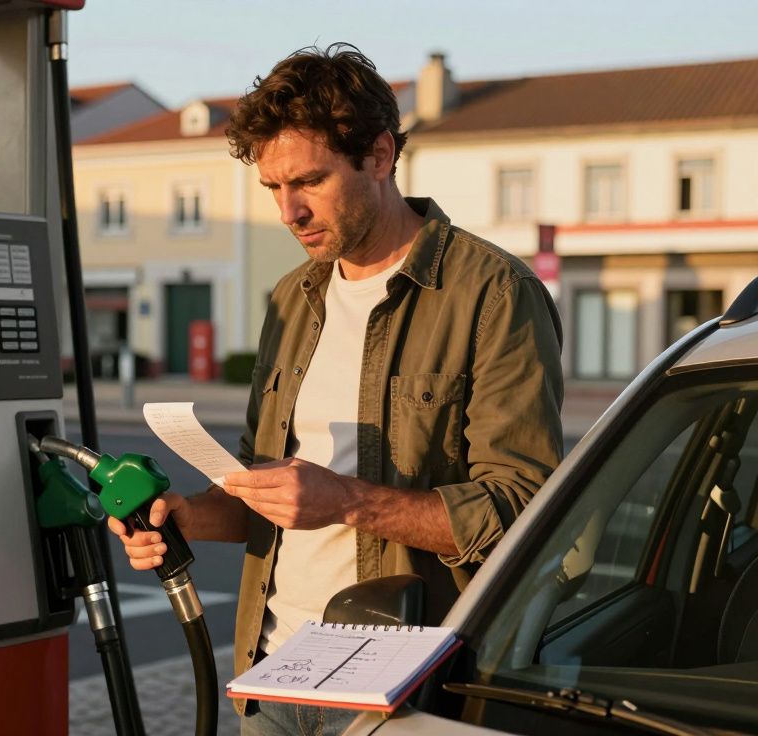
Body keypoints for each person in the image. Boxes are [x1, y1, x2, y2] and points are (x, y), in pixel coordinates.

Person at [108, 43, 563, 735]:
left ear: (380, 157)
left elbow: (524, 510)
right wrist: (183, 515)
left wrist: (347, 499)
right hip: (274, 676)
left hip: (404, 688)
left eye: (310, 182)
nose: (289, 212)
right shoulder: (292, 299)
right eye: (272, 189)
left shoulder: (493, 293)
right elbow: (263, 493)